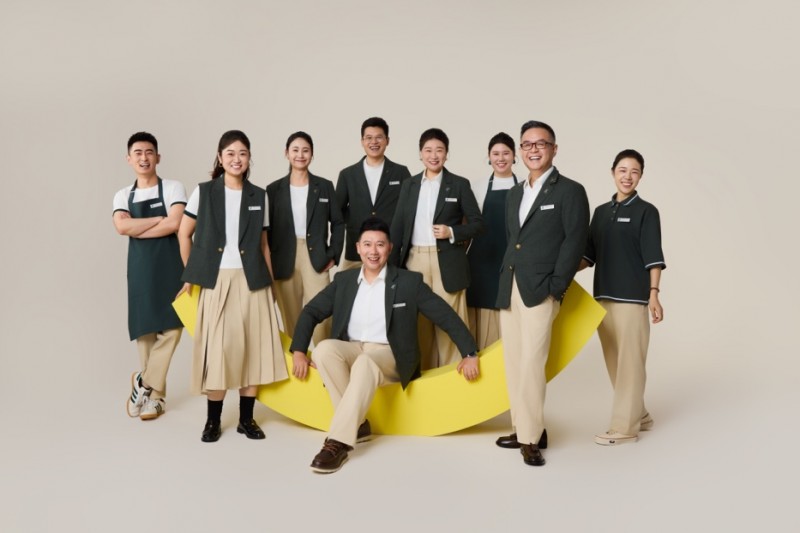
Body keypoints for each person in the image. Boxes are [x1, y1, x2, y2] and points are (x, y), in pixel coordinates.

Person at [290, 217, 480, 474]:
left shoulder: (409, 282)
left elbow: (445, 315)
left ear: (389, 248)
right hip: (354, 347)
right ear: (358, 248)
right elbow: (311, 311)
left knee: (365, 362)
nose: (374, 251)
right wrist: (299, 350)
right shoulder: (344, 280)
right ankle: (358, 425)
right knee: (323, 350)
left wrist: (469, 352)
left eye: (380, 244)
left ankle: (338, 442)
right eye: (367, 244)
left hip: (390, 353)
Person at [178, 130, 287, 443]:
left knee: (252, 349)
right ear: (220, 157)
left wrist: (271, 286)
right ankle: (213, 421)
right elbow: (184, 233)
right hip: (217, 281)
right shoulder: (204, 192)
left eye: (242, 153)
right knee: (220, 351)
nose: (236, 159)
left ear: (249, 157)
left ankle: (246, 419)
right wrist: (191, 274)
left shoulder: (259, 195)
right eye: (230, 153)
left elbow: (264, 246)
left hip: (253, 281)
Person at [495, 120, 589, 466]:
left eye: (541, 143)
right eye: (527, 144)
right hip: (510, 286)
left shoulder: (570, 191)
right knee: (514, 362)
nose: (533, 150)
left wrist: (556, 287)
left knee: (533, 364)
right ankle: (523, 427)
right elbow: (514, 240)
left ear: (554, 149)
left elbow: (574, 241)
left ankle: (530, 439)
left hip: (541, 290)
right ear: (521, 151)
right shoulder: (514, 193)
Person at [579, 149, 665, 445]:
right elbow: (587, 256)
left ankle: (624, 428)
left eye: (634, 171)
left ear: (640, 176)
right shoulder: (601, 212)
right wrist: (559, 267)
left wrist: (654, 295)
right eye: (623, 170)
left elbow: (653, 258)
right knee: (616, 364)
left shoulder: (646, 211)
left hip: (632, 299)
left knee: (631, 364)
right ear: (613, 172)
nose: (628, 176)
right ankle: (640, 414)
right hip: (603, 297)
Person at [390, 128, 484, 369]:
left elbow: (477, 224)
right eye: (428, 150)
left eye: (439, 150)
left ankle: (453, 378)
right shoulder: (409, 185)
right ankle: (425, 379)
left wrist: (452, 232)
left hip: (448, 262)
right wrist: (390, 269)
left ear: (446, 154)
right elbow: (397, 228)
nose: (434, 155)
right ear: (420, 154)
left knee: (450, 321)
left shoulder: (459, 184)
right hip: (414, 261)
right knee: (419, 323)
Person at [113, 132, 185, 421]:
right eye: (138, 153)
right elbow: (121, 228)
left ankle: (142, 382)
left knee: (173, 327)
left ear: (158, 157)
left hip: (172, 268)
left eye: (149, 152)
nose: (144, 158)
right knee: (146, 333)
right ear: (129, 159)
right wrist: (158, 219)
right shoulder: (122, 195)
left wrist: (138, 226)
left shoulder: (173, 187)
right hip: (141, 270)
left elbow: (176, 223)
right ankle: (156, 399)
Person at [267, 131, 344, 346]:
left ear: (312, 154)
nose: (300, 155)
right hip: (284, 258)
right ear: (286, 153)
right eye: (295, 150)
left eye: (305, 150)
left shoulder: (324, 186)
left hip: (316, 257)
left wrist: (333, 254)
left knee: (323, 317)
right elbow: (266, 230)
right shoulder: (273, 190)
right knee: (291, 318)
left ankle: (324, 359)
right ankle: (296, 361)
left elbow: (338, 223)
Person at [336, 117, 411, 271]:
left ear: (387, 140)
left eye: (379, 137)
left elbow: (409, 210)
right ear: (362, 141)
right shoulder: (347, 174)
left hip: (390, 250)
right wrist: (354, 221)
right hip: (356, 251)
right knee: (350, 285)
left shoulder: (401, 172)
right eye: (369, 138)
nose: (374, 142)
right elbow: (338, 211)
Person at [466, 132, 519, 350]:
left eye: (506, 153)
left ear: (514, 156)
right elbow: (466, 227)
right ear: (489, 157)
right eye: (495, 153)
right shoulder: (476, 188)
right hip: (481, 264)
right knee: (480, 324)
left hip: (512, 262)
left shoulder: (525, 187)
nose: (501, 158)